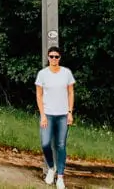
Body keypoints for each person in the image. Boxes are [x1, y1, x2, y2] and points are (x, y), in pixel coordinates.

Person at [35, 46, 75, 188]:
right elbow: (39, 95)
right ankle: (51, 168)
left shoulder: (66, 73)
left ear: (60, 58)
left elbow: (70, 93)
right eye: (51, 56)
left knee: (61, 145)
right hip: (48, 115)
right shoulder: (42, 74)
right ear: (48, 58)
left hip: (63, 115)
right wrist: (43, 115)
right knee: (45, 143)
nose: (53, 59)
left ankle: (60, 177)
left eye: (56, 57)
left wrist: (70, 112)